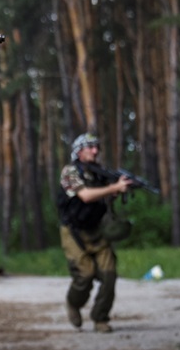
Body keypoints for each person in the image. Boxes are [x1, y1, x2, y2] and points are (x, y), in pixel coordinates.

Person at [57, 133, 132, 333]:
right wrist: (114, 187)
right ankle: (73, 303)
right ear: (79, 151)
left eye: (96, 147)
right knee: (85, 274)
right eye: (90, 147)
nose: (95, 151)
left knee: (109, 274)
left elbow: (102, 200)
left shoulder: (100, 174)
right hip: (73, 231)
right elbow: (86, 196)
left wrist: (116, 191)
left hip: (97, 230)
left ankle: (100, 318)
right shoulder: (69, 172)